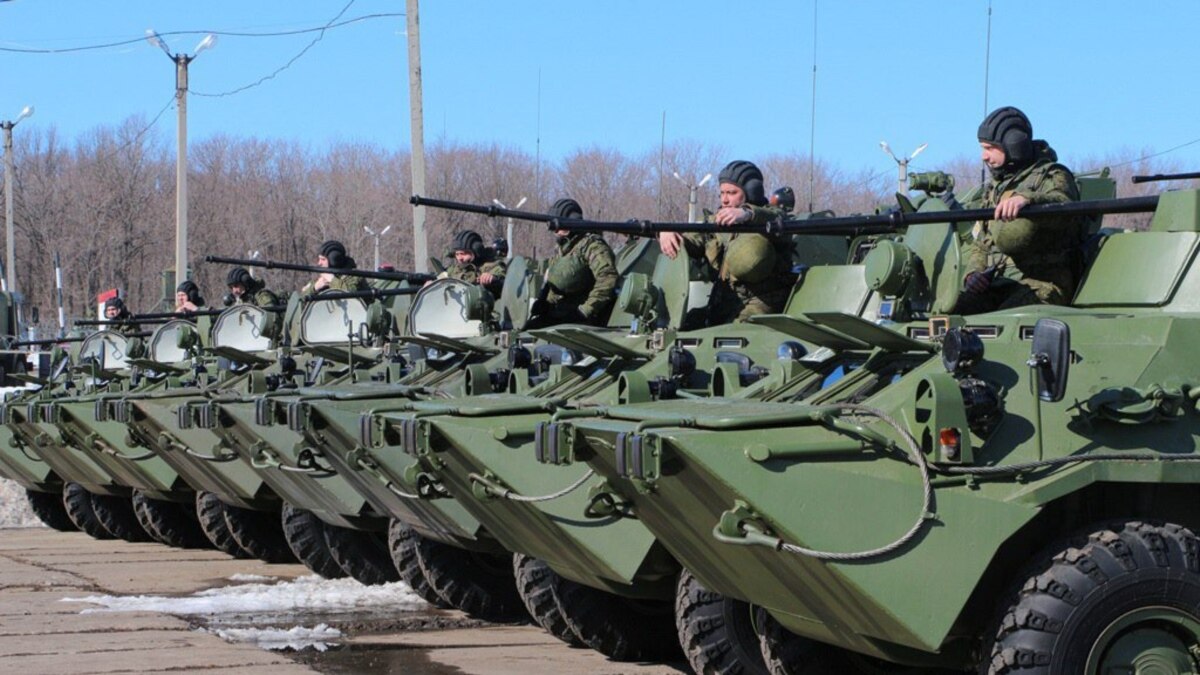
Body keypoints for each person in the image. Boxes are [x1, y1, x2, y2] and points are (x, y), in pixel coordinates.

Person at [953, 106, 1082, 315]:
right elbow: (982, 244)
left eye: (990, 148)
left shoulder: (1052, 175)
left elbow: (1065, 206)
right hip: (998, 284)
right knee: (950, 318)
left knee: (1005, 322)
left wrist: (1028, 200)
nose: (984, 156)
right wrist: (973, 274)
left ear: (1013, 145)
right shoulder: (995, 189)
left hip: (1043, 285)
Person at [658, 160, 793, 324]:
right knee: (686, 327)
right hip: (723, 302)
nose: (725, 199)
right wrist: (666, 233)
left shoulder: (772, 218)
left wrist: (747, 214)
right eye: (722, 193)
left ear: (751, 192)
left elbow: (779, 219)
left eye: (731, 192)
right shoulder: (715, 222)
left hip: (760, 303)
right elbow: (692, 241)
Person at [527, 198, 618, 328]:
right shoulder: (561, 249)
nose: (556, 231)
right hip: (561, 313)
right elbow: (557, 285)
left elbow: (607, 278)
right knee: (527, 331)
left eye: (559, 225)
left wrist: (585, 310)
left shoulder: (592, 245)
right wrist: (545, 304)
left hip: (584, 318)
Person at [435, 230, 507, 297]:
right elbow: (443, 278)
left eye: (463, 254)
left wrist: (492, 278)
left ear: (476, 252)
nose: (460, 258)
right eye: (457, 254)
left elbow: (502, 278)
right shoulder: (455, 269)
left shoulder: (490, 265)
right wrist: (432, 284)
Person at [302, 240, 369, 294]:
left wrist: (332, 280)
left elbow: (350, 293)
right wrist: (314, 288)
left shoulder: (354, 276)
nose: (319, 263)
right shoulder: (322, 278)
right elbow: (301, 301)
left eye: (323, 259)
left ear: (333, 261)